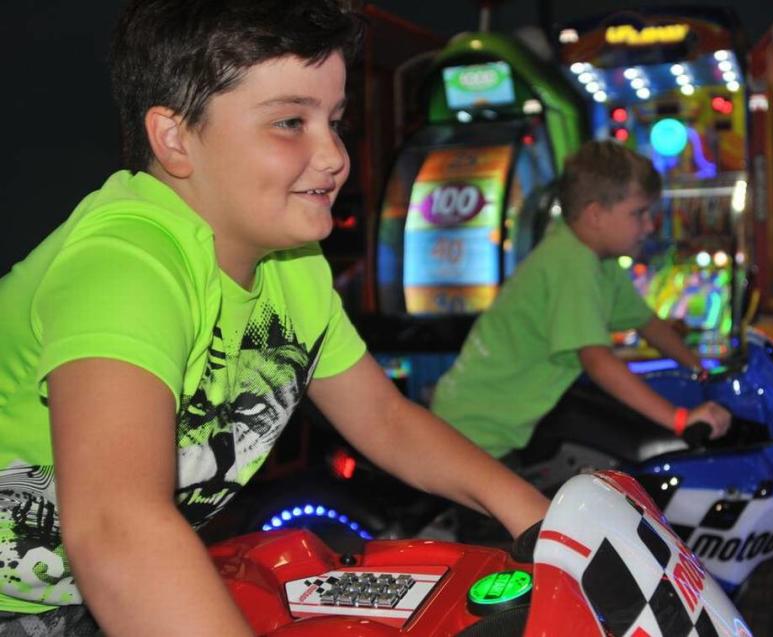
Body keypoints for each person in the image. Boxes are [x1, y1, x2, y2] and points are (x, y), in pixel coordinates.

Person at [0, 1, 549, 634]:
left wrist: (541, 520)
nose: (334, 155)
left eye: (334, 120)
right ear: (175, 138)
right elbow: (116, 528)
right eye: (291, 121)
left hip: (81, 598)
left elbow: (385, 420)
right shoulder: (127, 263)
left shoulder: (292, 263)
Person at [431, 140, 731, 462]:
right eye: (639, 213)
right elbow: (597, 361)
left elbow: (647, 324)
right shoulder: (572, 263)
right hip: (476, 434)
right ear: (595, 215)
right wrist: (680, 419)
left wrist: (702, 373)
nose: (648, 226)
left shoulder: (598, 260)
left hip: (497, 425)